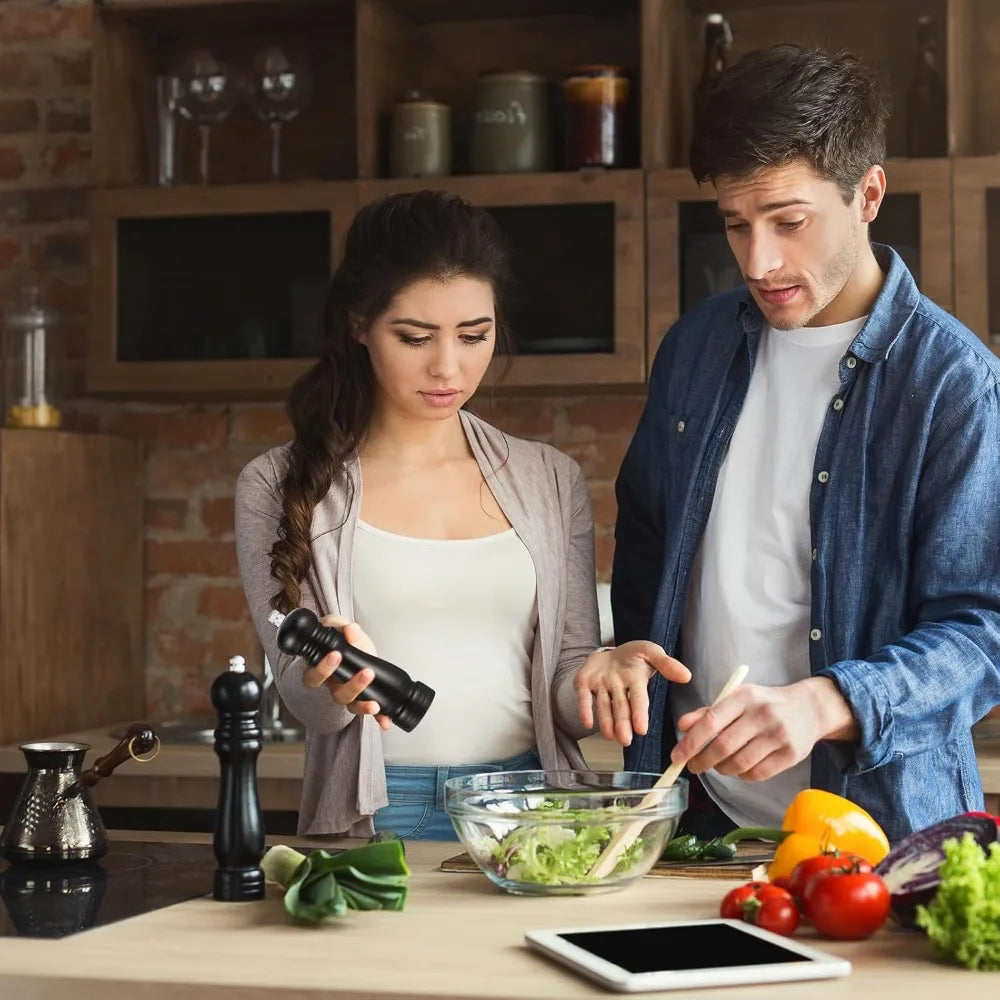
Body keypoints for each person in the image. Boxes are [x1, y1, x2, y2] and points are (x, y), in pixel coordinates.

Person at [576, 44, 1000, 844]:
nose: (759, 261)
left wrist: (826, 701)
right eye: (736, 225)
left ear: (868, 194)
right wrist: (633, 650)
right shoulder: (695, 349)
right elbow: (646, 543)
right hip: (691, 825)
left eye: (790, 222)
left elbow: (983, 630)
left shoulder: (953, 384)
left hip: (878, 837)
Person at [235, 190, 688, 839]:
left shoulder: (549, 480)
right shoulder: (276, 484)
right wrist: (327, 679)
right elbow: (304, 703)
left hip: (531, 807)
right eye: (414, 337)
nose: (448, 366)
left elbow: (563, 687)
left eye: (474, 335)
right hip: (379, 811)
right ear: (359, 324)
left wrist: (597, 677)